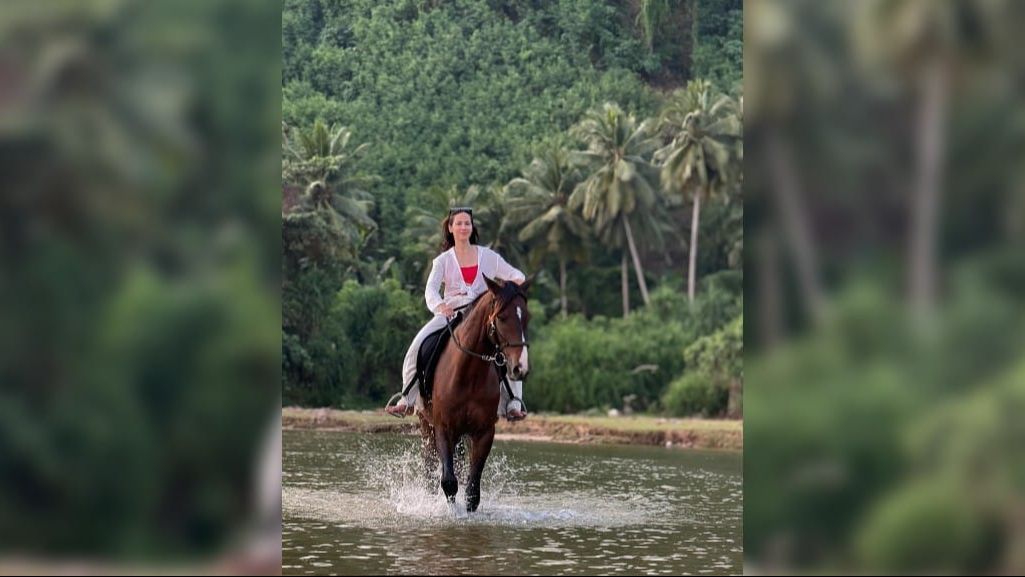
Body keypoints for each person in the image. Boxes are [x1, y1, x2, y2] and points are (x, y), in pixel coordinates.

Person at [385, 207, 528, 421]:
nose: (463, 227)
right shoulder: (442, 261)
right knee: (417, 346)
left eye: (467, 223)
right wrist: (440, 306)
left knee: (510, 345)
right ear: (450, 228)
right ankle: (407, 398)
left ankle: (513, 403)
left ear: (472, 227)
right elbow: (430, 289)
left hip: (481, 317)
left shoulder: (489, 257)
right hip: (450, 313)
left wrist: (506, 291)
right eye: (459, 223)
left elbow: (518, 276)